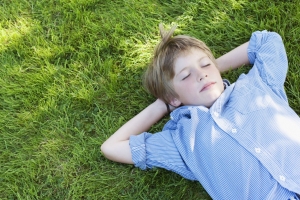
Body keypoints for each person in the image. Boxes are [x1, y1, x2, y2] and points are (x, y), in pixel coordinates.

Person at [101, 24, 300, 199]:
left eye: (205, 64)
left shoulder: (256, 84)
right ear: (173, 97)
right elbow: (111, 147)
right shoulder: (183, 140)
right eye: (186, 76)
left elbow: (267, 41)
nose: (201, 74)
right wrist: (162, 104)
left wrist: (215, 66)